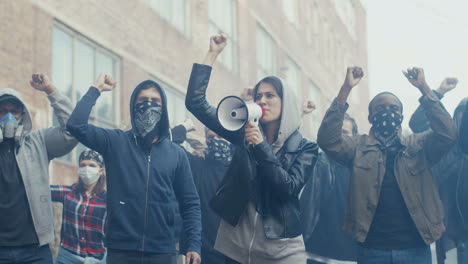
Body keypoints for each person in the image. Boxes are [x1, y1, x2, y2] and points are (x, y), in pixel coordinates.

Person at [185, 33, 318, 264]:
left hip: (282, 253)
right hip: (236, 250)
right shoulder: (242, 133)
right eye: (258, 96)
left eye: (270, 96)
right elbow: (196, 102)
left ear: (286, 102)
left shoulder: (305, 148)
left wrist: (260, 146)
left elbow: (288, 187)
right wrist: (212, 54)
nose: (262, 101)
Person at [317, 66, 456, 264]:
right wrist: (346, 89)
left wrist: (424, 88)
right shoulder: (357, 146)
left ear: (401, 116)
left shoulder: (418, 145)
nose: (387, 112)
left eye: (394, 109)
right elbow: (327, 140)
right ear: (370, 117)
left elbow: (448, 133)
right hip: (372, 251)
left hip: (416, 249)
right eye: (381, 109)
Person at [66, 74, 201, 264]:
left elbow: (190, 202)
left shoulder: (176, 153)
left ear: (163, 108)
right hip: (121, 250)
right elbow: (75, 125)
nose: (148, 105)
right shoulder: (116, 142)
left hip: (163, 251)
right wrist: (96, 89)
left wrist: (194, 245)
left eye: (155, 101)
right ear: (133, 105)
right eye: (143, 100)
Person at [0, 74, 78, 264]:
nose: (9, 116)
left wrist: (50, 90)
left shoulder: (39, 142)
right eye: (2, 111)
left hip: (35, 251)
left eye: (14, 111)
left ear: (22, 115)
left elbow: (74, 129)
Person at [409, 77, 468, 264]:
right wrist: (438, 92)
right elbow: (417, 123)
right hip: (451, 235)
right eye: (463, 115)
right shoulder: (444, 144)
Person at [301, 113, 360, 264]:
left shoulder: (362, 168)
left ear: (355, 137)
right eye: (335, 132)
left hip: (349, 254)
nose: (338, 137)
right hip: (314, 253)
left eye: (345, 132)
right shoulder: (316, 160)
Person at [172, 121, 232, 264]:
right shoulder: (196, 165)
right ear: (205, 139)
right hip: (200, 254)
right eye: (211, 137)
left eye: (221, 135)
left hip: (233, 255)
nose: (216, 140)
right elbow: (167, 144)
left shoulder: (241, 168)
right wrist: (183, 128)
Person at [51, 149, 107, 264]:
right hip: (67, 257)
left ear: (100, 171)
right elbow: (41, 192)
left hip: (96, 259)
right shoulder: (69, 193)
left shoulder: (108, 200)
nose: (87, 169)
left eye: (92, 165)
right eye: (83, 165)